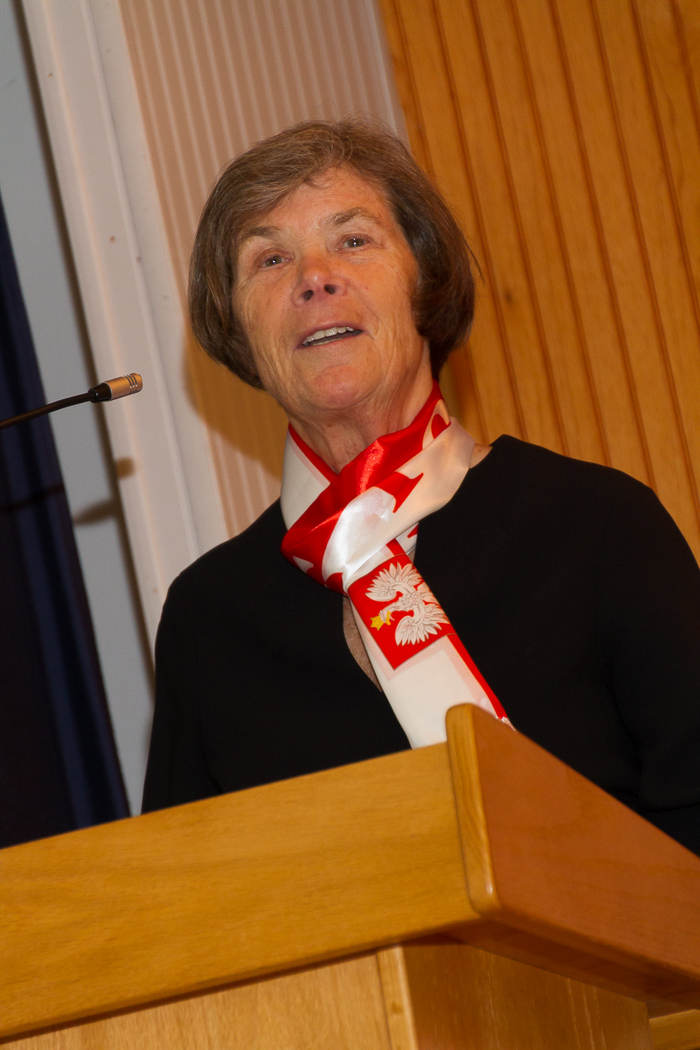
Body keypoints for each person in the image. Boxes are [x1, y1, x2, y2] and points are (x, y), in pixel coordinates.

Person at [142, 119, 700, 857]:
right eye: (270, 259)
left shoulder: (596, 526)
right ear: (237, 328)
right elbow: (189, 897)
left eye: (353, 240)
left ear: (424, 283)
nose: (314, 278)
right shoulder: (207, 620)